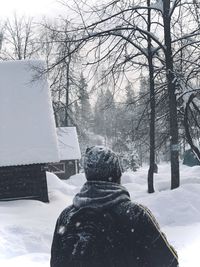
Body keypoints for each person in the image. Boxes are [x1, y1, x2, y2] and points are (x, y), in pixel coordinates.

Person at [51, 146, 178, 267]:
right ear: (118, 175)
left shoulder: (66, 216)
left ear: (87, 175)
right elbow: (169, 262)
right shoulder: (136, 214)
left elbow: (55, 263)